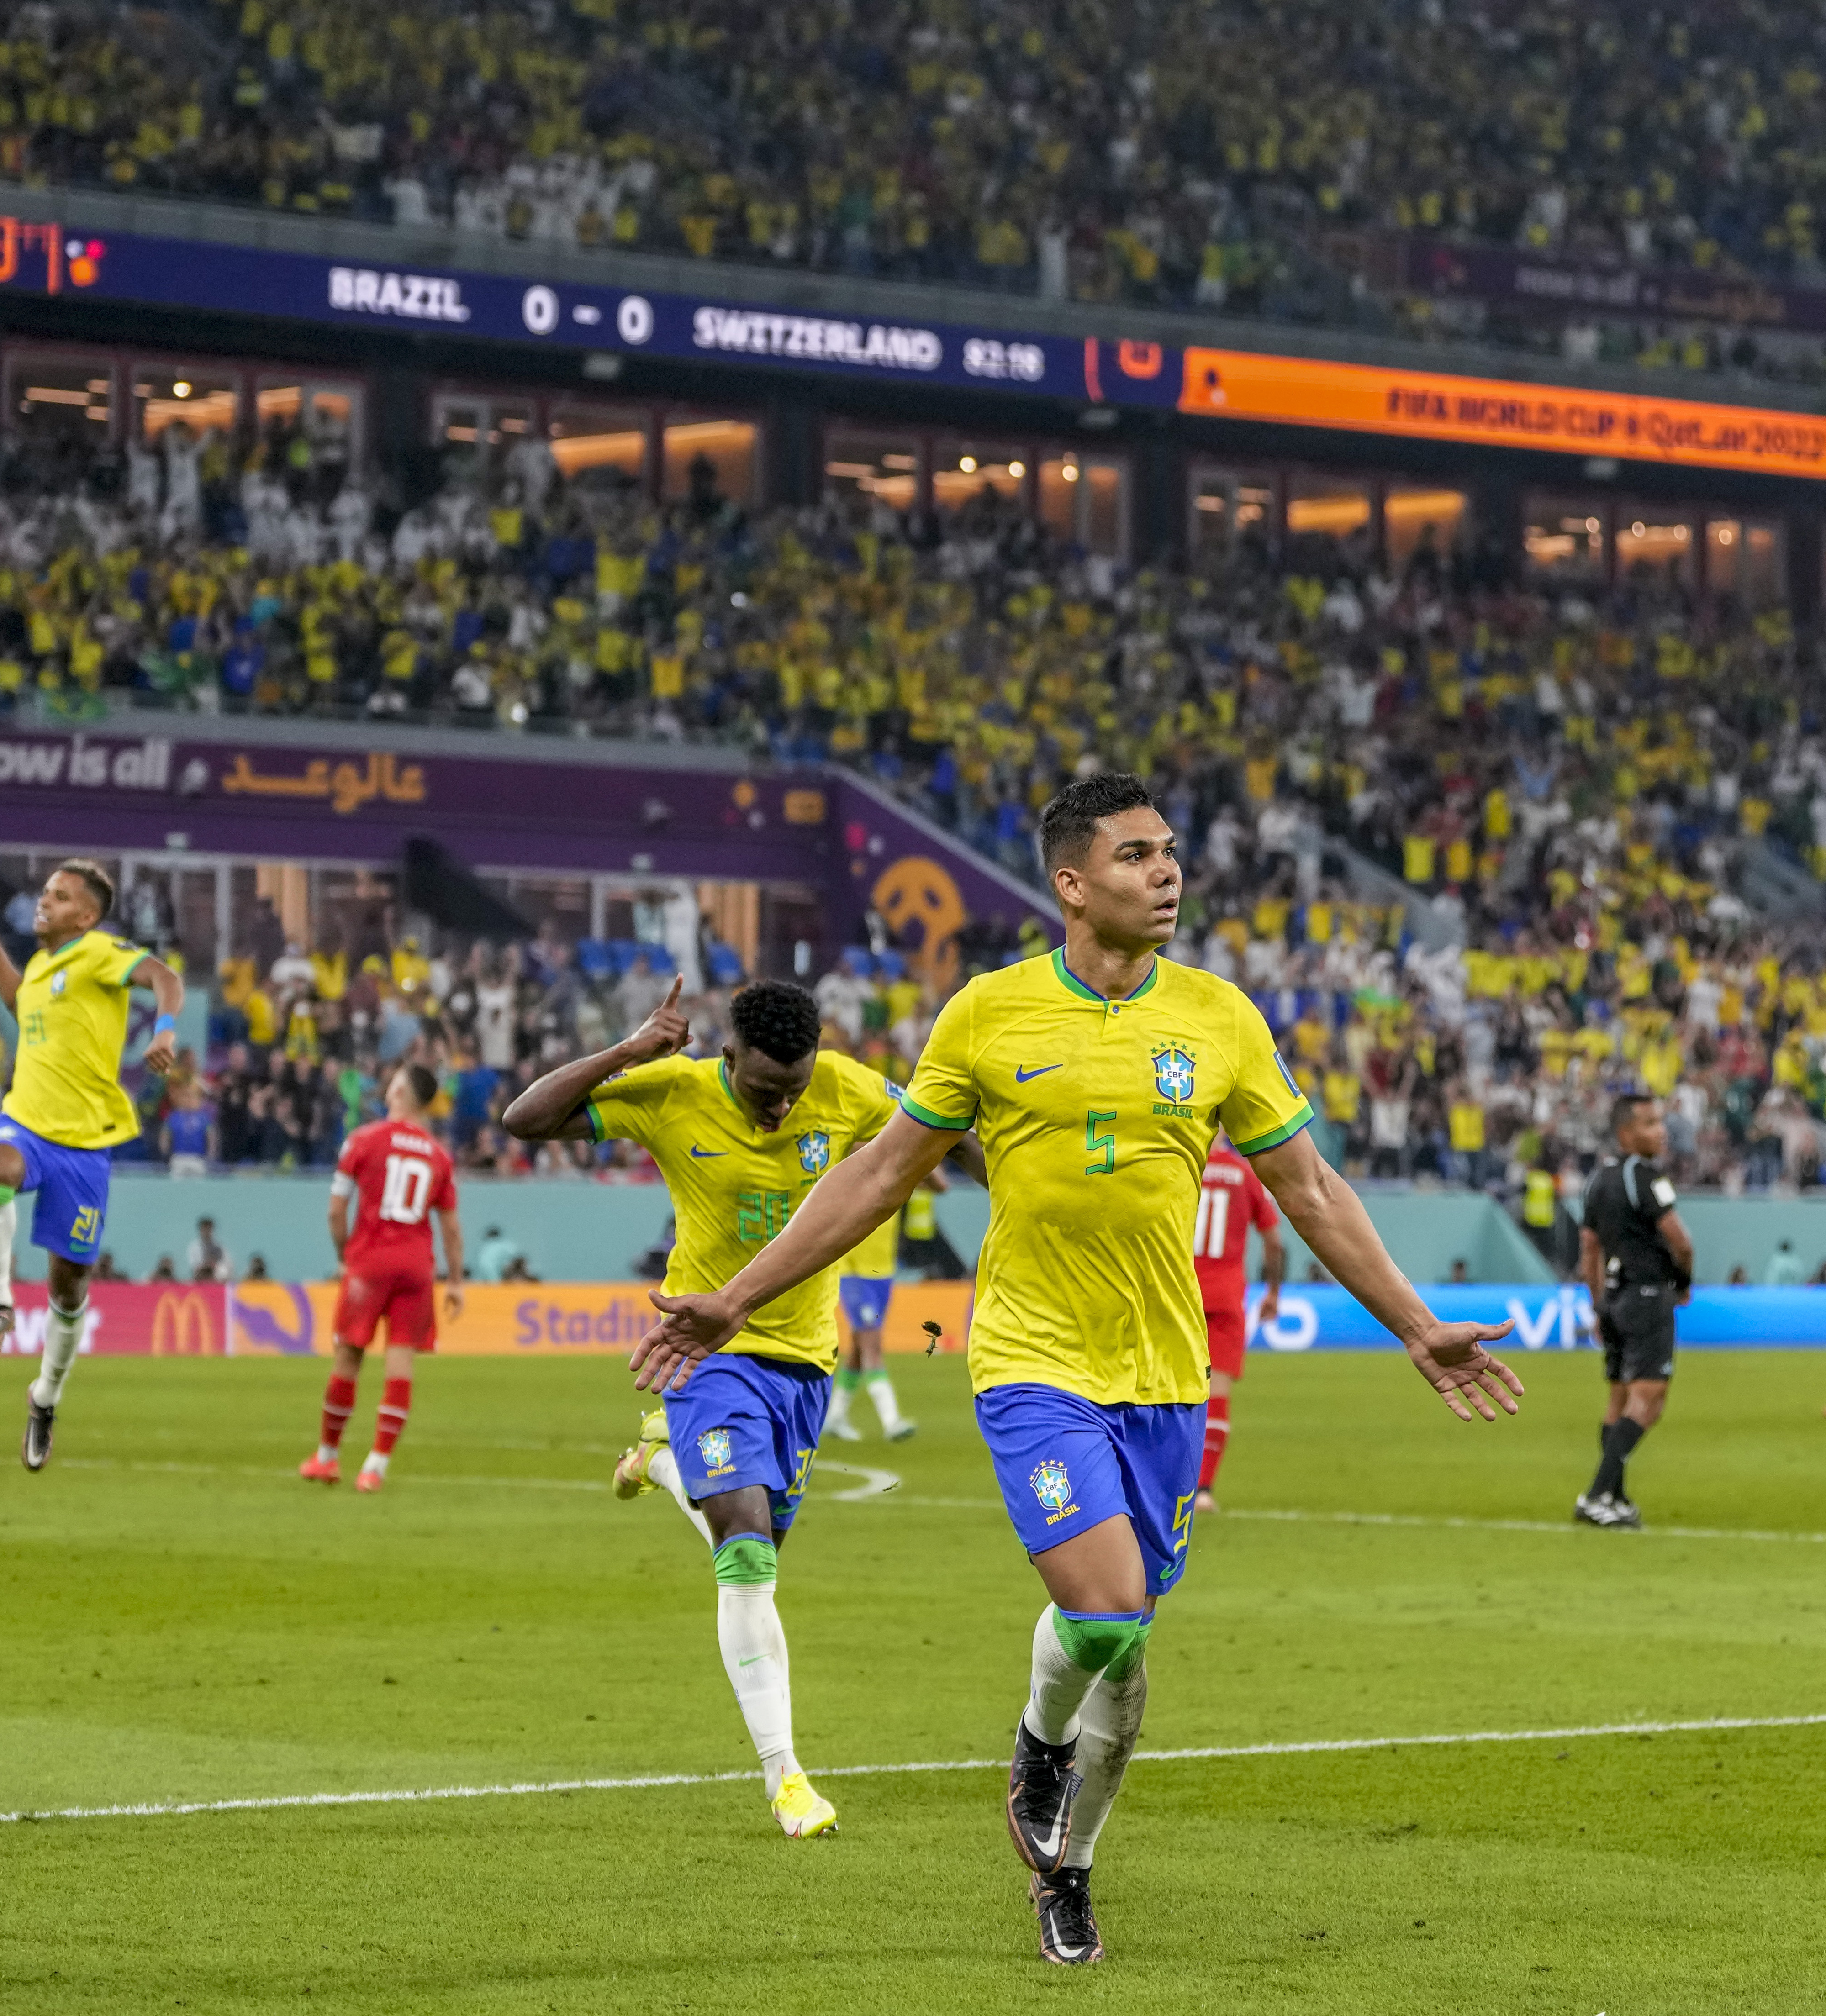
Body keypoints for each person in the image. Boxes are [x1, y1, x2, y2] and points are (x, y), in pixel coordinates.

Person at [627, 774, 1523, 1965]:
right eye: (1137, 855)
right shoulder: (987, 1015)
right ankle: (1039, 1748)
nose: (1166, 874)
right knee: (1101, 1611)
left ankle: (1069, 1864)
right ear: (1070, 881)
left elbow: (1305, 1187)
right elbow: (879, 1173)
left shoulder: (1217, 1018)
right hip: (1029, 1360)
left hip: (1163, 1373)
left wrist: (1414, 1322)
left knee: (1124, 1639)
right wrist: (733, 1297)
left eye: (1169, 853)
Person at [501, 975, 902, 1843]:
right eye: (765, 1090)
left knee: (752, 1544)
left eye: (794, 1090)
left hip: (804, 1364)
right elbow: (523, 1122)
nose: (781, 1107)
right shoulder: (672, 1093)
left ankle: (661, 1465)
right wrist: (625, 1052)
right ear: (727, 1057)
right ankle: (786, 1778)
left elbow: (941, 1134)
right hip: (704, 1351)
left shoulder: (848, 1088)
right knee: (748, 1557)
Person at [0, 861, 183, 1470]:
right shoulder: (40, 966)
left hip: (83, 1147)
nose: (43, 902)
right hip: (27, 1124)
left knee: (69, 1288)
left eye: (59, 897)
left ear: (84, 915)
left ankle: (45, 1397)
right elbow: (16, 997)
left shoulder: (97, 952)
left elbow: (164, 976)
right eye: (45, 893)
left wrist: (163, 1031)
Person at [306, 1061, 465, 1491]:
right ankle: (375, 1466)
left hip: (370, 1262)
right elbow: (450, 1226)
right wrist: (454, 1281)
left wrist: (344, 1255)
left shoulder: (362, 1140)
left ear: (397, 1090)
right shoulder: (438, 1155)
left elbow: (336, 1210)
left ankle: (327, 1457)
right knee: (400, 1363)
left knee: (349, 1358)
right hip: (416, 1265)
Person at [1576, 1095, 1694, 1529]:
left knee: (1619, 1400)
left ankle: (1617, 1496)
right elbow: (1680, 1242)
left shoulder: (1597, 1179)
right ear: (1626, 1133)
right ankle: (1595, 1495)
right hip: (1647, 1296)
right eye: (1649, 1123)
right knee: (1649, 1401)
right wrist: (1682, 1283)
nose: (1660, 1131)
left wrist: (1598, 1306)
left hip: (1613, 1297)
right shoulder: (1645, 1177)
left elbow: (1589, 1246)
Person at [1191, 1139, 1284, 1511]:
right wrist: (1273, 1293)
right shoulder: (1245, 1173)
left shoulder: (1183, 1164)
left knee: (1161, 1391)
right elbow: (1274, 1243)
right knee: (1218, 1394)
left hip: (1178, 1292)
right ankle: (1203, 1491)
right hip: (1226, 1296)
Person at [823, 1186, 917, 1443]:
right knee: (872, 1345)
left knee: (859, 1350)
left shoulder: (897, 1162)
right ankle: (892, 1421)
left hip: (882, 1273)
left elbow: (941, 1185)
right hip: (854, 1273)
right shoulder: (851, 1161)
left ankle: (836, 1417)